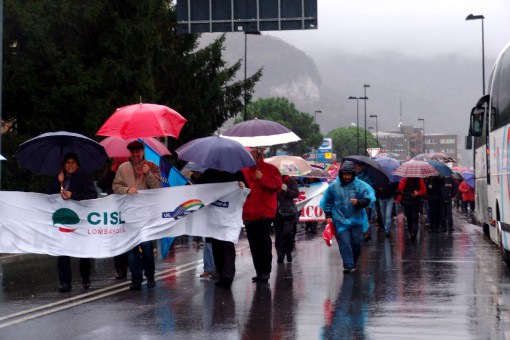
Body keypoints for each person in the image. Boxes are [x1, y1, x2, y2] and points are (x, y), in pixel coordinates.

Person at [112, 140, 162, 291]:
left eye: (138, 152)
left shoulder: (152, 166)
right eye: (132, 152)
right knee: (132, 250)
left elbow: (157, 188)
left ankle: (150, 275)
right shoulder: (123, 168)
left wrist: (148, 174)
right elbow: (116, 186)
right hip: (130, 215)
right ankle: (136, 279)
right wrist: (127, 190)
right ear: (130, 153)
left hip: (147, 215)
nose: (135, 155)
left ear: (143, 152)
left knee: (147, 247)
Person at [45, 152, 97, 292]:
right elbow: (47, 194)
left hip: (80, 220)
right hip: (63, 220)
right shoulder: (59, 178)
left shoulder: (85, 179)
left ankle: (85, 277)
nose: (70, 165)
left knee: (83, 252)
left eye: (73, 162)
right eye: (67, 162)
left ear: (77, 164)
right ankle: (65, 282)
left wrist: (73, 195)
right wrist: (58, 181)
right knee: (62, 251)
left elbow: (92, 196)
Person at [320, 161, 376, 273]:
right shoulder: (333, 186)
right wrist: (329, 215)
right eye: (344, 174)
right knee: (344, 242)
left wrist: (358, 202)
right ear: (341, 174)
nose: (346, 177)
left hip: (356, 220)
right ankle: (348, 264)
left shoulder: (360, 185)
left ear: (353, 174)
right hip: (340, 220)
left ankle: (353, 261)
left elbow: (367, 199)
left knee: (356, 242)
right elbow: (328, 201)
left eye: (349, 174)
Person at [197, 168, 247, 288]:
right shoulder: (209, 173)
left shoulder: (236, 173)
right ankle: (220, 274)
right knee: (217, 248)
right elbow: (198, 189)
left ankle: (228, 276)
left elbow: (247, 192)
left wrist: (243, 186)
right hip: (213, 218)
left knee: (227, 246)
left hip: (229, 218)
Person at [242, 147, 282, 283]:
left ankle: (266, 271)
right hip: (249, 214)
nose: (249, 159)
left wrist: (263, 178)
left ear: (259, 156)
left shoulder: (271, 169)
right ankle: (259, 272)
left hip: (265, 212)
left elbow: (277, 185)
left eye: (252, 156)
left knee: (263, 243)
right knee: (253, 244)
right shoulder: (244, 171)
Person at [97, 157, 130, 280]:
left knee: (130, 241)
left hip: (129, 210)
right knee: (117, 241)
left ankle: (133, 267)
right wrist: (112, 170)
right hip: (115, 212)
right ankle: (120, 270)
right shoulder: (110, 172)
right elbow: (102, 185)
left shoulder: (132, 171)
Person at [274, 174, 299, 263]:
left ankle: (288, 252)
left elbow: (296, 194)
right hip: (277, 212)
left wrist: (286, 189)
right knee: (279, 235)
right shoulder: (274, 180)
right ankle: (280, 255)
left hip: (289, 212)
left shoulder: (291, 181)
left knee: (288, 234)